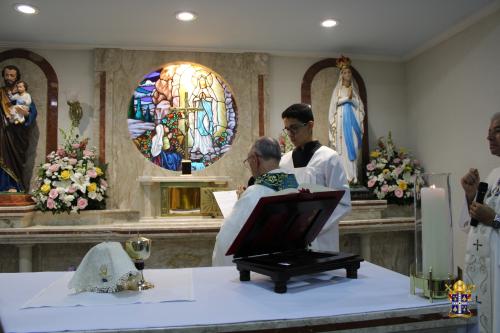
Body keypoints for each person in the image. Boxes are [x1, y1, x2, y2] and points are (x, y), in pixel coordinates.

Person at [212, 136, 298, 266]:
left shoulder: (254, 194)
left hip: (257, 270)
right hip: (285, 265)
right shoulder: (295, 187)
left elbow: (226, 242)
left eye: (248, 161)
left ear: (255, 159)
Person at [280, 103, 351, 252]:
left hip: (321, 239)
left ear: (310, 125)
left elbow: (342, 202)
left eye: (295, 128)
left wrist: (312, 226)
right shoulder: (285, 161)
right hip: (290, 240)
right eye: (287, 129)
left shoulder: (329, 158)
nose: (291, 134)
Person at [460, 112, 500, 333]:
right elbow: (475, 224)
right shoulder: (493, 175)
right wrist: (471, 195)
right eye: (488, 133)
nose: (489, 138)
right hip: (483, 267)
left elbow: (491, 218)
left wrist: (493, 218)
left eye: (497, 131)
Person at [328, 56, 365, 184]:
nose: (347, 74)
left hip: (353, 123)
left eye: (349, 72)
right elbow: (333, 106)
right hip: (341, 124)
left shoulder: (353, 90)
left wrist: (352, 99)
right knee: (342, 149)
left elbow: (360, 108)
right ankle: (346, 177)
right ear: (341, 75)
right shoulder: (337, 90)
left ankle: (354, 176)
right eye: (344, 72)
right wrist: (346, 99)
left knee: (353, 146)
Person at [0, 65, 37, 192]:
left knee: (17, 159)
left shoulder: (24, 95)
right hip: (3, 132)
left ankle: (16, 186)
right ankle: (5, 186)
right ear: (3, 76)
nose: (9, 78)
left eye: (12, 75)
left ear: (17, 77)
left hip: (19, 133)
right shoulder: (1, 92)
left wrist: (26, 114)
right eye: (6, 75)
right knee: (3, 156)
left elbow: (32, 111)